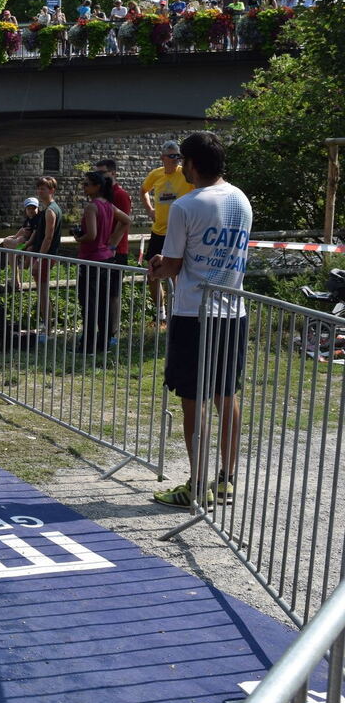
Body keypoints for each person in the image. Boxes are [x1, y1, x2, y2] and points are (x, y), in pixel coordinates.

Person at [148, 132, 252, 508]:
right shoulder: (241, 199)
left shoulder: (186, 206)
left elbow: (173, 264)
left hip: (194, 312)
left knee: (194, 398)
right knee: (227, 393)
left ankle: (196, 484)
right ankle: (227, 479)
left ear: (190, 164)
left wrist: (158, 269)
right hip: (233, 311)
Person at [74, 171, 131, 353]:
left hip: (90, 260)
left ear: (96, 187)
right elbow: (127, 220)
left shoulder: (92, 207)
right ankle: (104, 344)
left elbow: (91, 235)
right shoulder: (109, 205)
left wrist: (78, 237)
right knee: (103, 303)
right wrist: (113, 241)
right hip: (106, 258)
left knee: (88, 304)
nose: (84, 187)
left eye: (86, 184)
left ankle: (88, 346)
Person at [141, 140, 193, 322]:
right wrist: (149, 210)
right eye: (172, 156)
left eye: (178, 156)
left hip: (178, 231)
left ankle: (177, 313)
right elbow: (143, 190)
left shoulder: (185, 175)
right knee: (153, 274)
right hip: (158, 232)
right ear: (162, 157)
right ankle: (160, 314)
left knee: (176, 274)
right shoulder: (155, 174)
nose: (176, 160)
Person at [95, 158, 132, 346]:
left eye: (102, 173)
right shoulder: (103, 194)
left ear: (113, 173)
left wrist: (111, 246)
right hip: (101, 252)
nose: (99, 177)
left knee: (113, 294)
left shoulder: (120, 195)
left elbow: (123, 223)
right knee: (100, 293)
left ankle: (113, 334)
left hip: (116, 252)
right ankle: (102, 332)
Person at [26, 176, 62, 342]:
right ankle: (47, 325)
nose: (40, 191)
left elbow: (48, 237)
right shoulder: (51, 208)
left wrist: (39, 259)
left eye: (44, 189)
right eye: (39, 188)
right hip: (46, 255)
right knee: (43, 292)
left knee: (42, 292)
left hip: (45, 257)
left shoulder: (49, 211)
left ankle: (47, 330)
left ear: (52, 190)